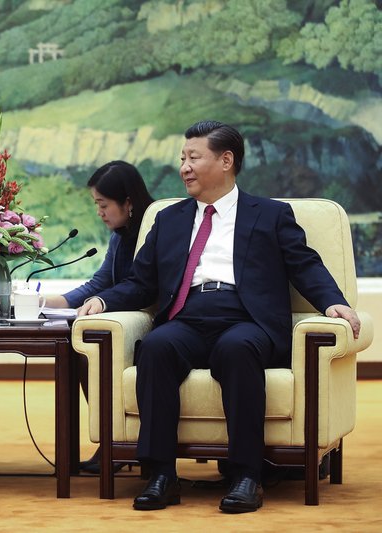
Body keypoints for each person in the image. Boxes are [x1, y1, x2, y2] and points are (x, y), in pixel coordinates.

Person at [78, 120, 361, 514]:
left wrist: (333, 302)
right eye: (182, 158)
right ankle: (161, 475)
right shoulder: (169, 219)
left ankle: (247, 476)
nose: (184, 167)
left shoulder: (270, 214)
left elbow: (305, 265)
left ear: (226, 160)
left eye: (194, 157)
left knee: (237, 348)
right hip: (188, 317)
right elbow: (141, 283)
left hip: (247, 319)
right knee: (157, 347)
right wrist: (104, 302)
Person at [44, 161, 154, 474]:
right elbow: (101, 281)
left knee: (89, 349)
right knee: (80, 352)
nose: (100, 212)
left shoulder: (154, 230)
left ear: (128, 202)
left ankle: (118, 442)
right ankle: (113, 439)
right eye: (97, 205)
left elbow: (142, 287)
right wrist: (51, 302)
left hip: (151, 324)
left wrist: (102, 302)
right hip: (121, 323)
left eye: (103, 204)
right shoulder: (120, 234)